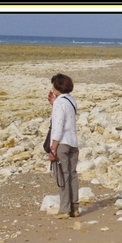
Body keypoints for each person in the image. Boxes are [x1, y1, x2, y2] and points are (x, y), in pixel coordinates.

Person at [47, 73, 80, 218]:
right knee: (72, 175)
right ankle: (74, 207)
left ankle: (65, 209)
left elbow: (58, 125)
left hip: (62, 143)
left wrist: (53, 147)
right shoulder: (71, 101)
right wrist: (54, 104)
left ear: (57, 86)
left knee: (62, 175)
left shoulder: (60, 103)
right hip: (73, 142)